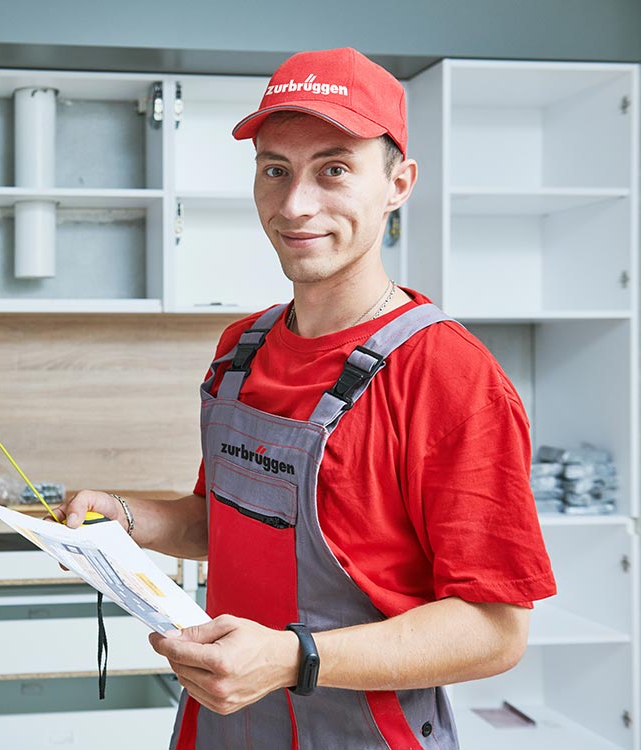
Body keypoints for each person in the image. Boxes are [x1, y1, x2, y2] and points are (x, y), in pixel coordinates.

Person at [58, 47, 556, 749]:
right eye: (275, 170)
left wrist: (294, 658)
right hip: (222, 725)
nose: (295, 205)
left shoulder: (448, 375)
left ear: (399, 183)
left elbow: (496, 631)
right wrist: (126, 519)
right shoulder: (242, 350)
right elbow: (225, 527)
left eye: (334, 169)